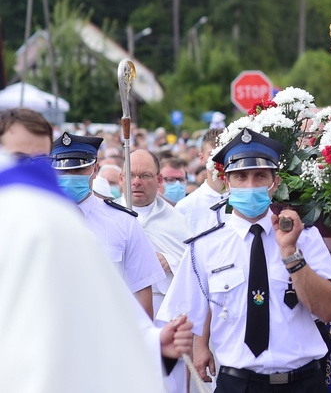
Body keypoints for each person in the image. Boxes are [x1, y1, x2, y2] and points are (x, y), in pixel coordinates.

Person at [157, 128, 331, 393]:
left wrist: (290, 254)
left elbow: (327, 309)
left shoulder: (305, 237)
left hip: (303, 382)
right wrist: (200, 347)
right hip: (237, 383)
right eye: (241, 177)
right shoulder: (204, 247)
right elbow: (191, 313)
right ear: (227, 183)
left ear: (274, 183)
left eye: (260, 176)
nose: (251, 185)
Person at [0, 151, 194, 392]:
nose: (137, 182)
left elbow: (125, 309)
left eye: (144, 175)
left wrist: (155, 342)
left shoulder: (103, 228)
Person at [50, 132, 164, 318]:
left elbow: (142, 292)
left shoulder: (123, 222)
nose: (70, 176)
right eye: (63, 171)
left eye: (79, 170)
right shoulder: (37, 220)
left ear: (95, 169)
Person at [118, 149, 190, 313]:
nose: (136, 182)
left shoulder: (177, 221)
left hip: (165, 310)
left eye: (145, 175)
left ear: (158, 180)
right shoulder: (107, 217)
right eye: (131, 175)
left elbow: (194, 267)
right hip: (119, 307)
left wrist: (170, 261)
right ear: (121, 179)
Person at [176, 128, 229, 237]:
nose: (219, 159)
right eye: (212, 154)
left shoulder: (245, 200)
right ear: (202, 158)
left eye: (224, 153)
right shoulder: (185, 207)